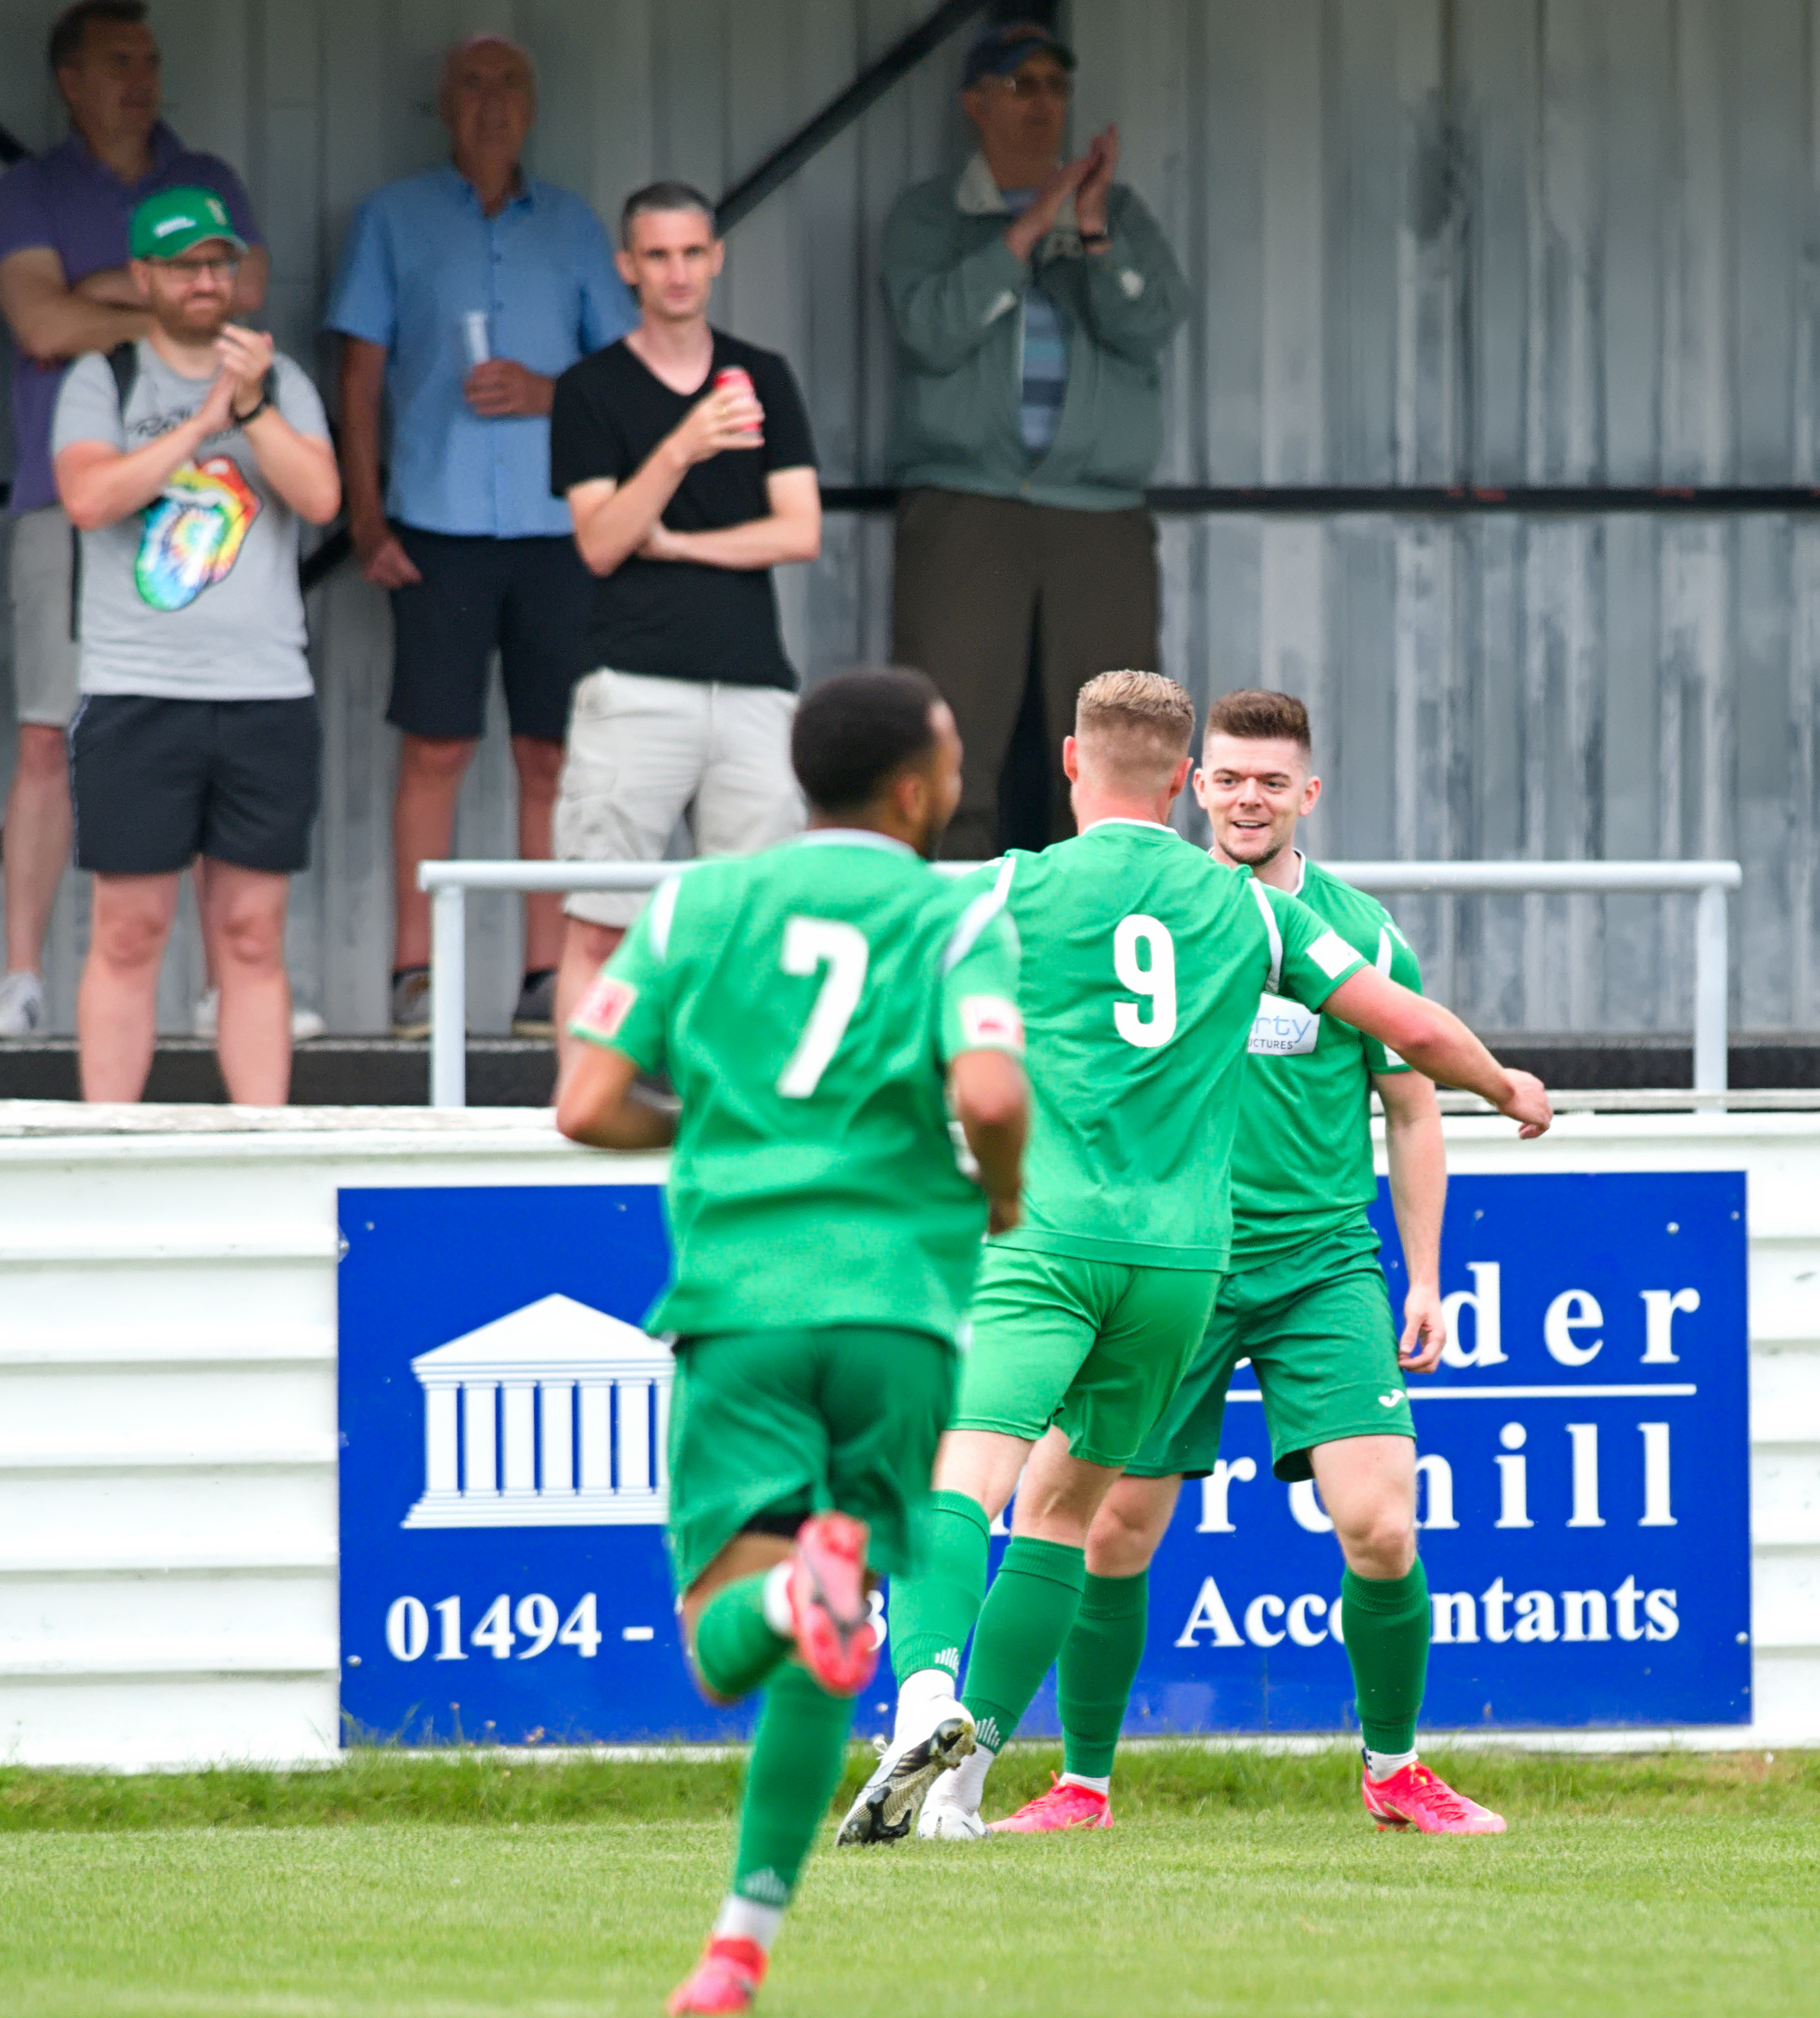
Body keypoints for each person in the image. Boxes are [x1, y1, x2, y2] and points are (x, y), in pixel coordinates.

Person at [839, 672, 1552, 1845]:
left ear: (1069, 762)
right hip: (1180, 1266)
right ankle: (980, 1790)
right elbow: (1418, 1037)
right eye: (1228, 776)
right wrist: (1506, 1081)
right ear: (1186, 782)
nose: (1246, 796)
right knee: (1074, 1519)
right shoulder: (1247, 915)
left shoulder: (1008, 885)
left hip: (1091, 1242)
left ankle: (926, 1697)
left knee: (967, 1481)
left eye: (1272, 780)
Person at [556, 666, 1027, 2016]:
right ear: (912, 787)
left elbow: (584, 1101)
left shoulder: (695, 902)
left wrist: (702, 1131)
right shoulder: (951, 914)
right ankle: (739, 1946)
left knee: (727, 1635)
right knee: (843, 1620)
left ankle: (742, 1924)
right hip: (897, 1313)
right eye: (947, 758)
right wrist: (997, 1188)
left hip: (740, 1303)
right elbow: (989, 1086)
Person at [325, 34, 634, 1039]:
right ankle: (417, 976)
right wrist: (364, 518)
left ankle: (547, 979)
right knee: (438, 750)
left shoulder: (577, 228)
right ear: (444, 104)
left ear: (532, 106)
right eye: (472, 84)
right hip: (437, 527)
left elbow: (625, 378)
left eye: (509, 84)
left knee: (550, 757)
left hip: (557, 532)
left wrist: (548, 391)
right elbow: (360, 379)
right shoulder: (394, 219)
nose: (492, 102)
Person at [0, 0, 267, 1039]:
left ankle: (217, 988)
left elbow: (238, 309)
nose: (141, 78)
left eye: (150, 60)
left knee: (202, 727)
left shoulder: (211, 183)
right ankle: (18, 980)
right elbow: (38, 320)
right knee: (43, 741)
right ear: (69, 80)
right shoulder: (28, 188)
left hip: (201, 498)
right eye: (118, 62)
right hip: (63, 497)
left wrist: (100, 296)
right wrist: (159, 310)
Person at [53, 188, 338, 1103]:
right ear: (144, 278)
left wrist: (250, 409)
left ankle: (260, 1150)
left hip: (264, 693)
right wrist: (201, 421)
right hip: (137, 690)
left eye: (219, 263)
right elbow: (91, 498)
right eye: (184, 265)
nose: (207, 280)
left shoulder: (281, 379)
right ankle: (109, 1151)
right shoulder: (106, 376)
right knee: (131, 929)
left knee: (252, 933)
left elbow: (324, 500)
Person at [881, 20, 1190, 858]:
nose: (1042, 103)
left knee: (1114, 744)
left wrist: (1088, 229)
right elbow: (929, 330)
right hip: (966, 506)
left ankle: (1099, 938)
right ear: (974, 104)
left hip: (1096, 512)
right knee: (949, 740)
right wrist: (1024, 232)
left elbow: (1148, 323)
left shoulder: (1119, 213)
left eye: (1055, 85)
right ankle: (950, 944)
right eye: (1020, 86)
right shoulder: (929, 216)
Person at [549, 181, 822, 1085]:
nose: (676, 271)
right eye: (656, 255)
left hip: (752, 683)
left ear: (717, 258)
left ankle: (744, 1125)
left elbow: (800, 531)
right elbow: (599, 543)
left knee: (754, 926)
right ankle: (582, 1122)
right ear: (627, 267)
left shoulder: (763, 374)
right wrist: (681, 444)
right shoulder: (590, 388)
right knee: (599, 919)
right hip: (631, 683)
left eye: (691, 252)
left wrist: (678, 543)